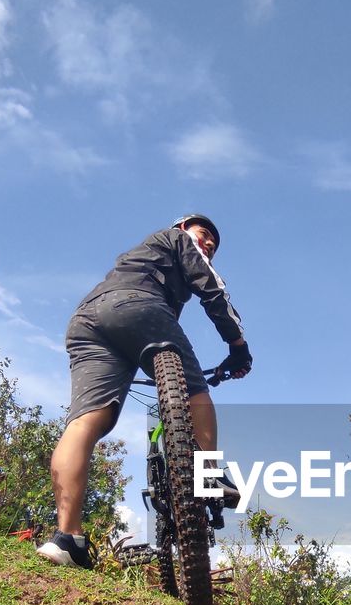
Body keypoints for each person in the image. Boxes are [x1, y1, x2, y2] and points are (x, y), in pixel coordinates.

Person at [37, 213, 252, 569]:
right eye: (204, 234)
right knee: (195, 388)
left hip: (87, 320)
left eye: (214, 243)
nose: (209, 243)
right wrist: (238, 345)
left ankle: (67, 540)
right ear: (183, 228)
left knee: (87, 421)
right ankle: (208, 473)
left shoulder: (145, 257)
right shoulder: (177, 240)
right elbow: (213, 290)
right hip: (135, 305)